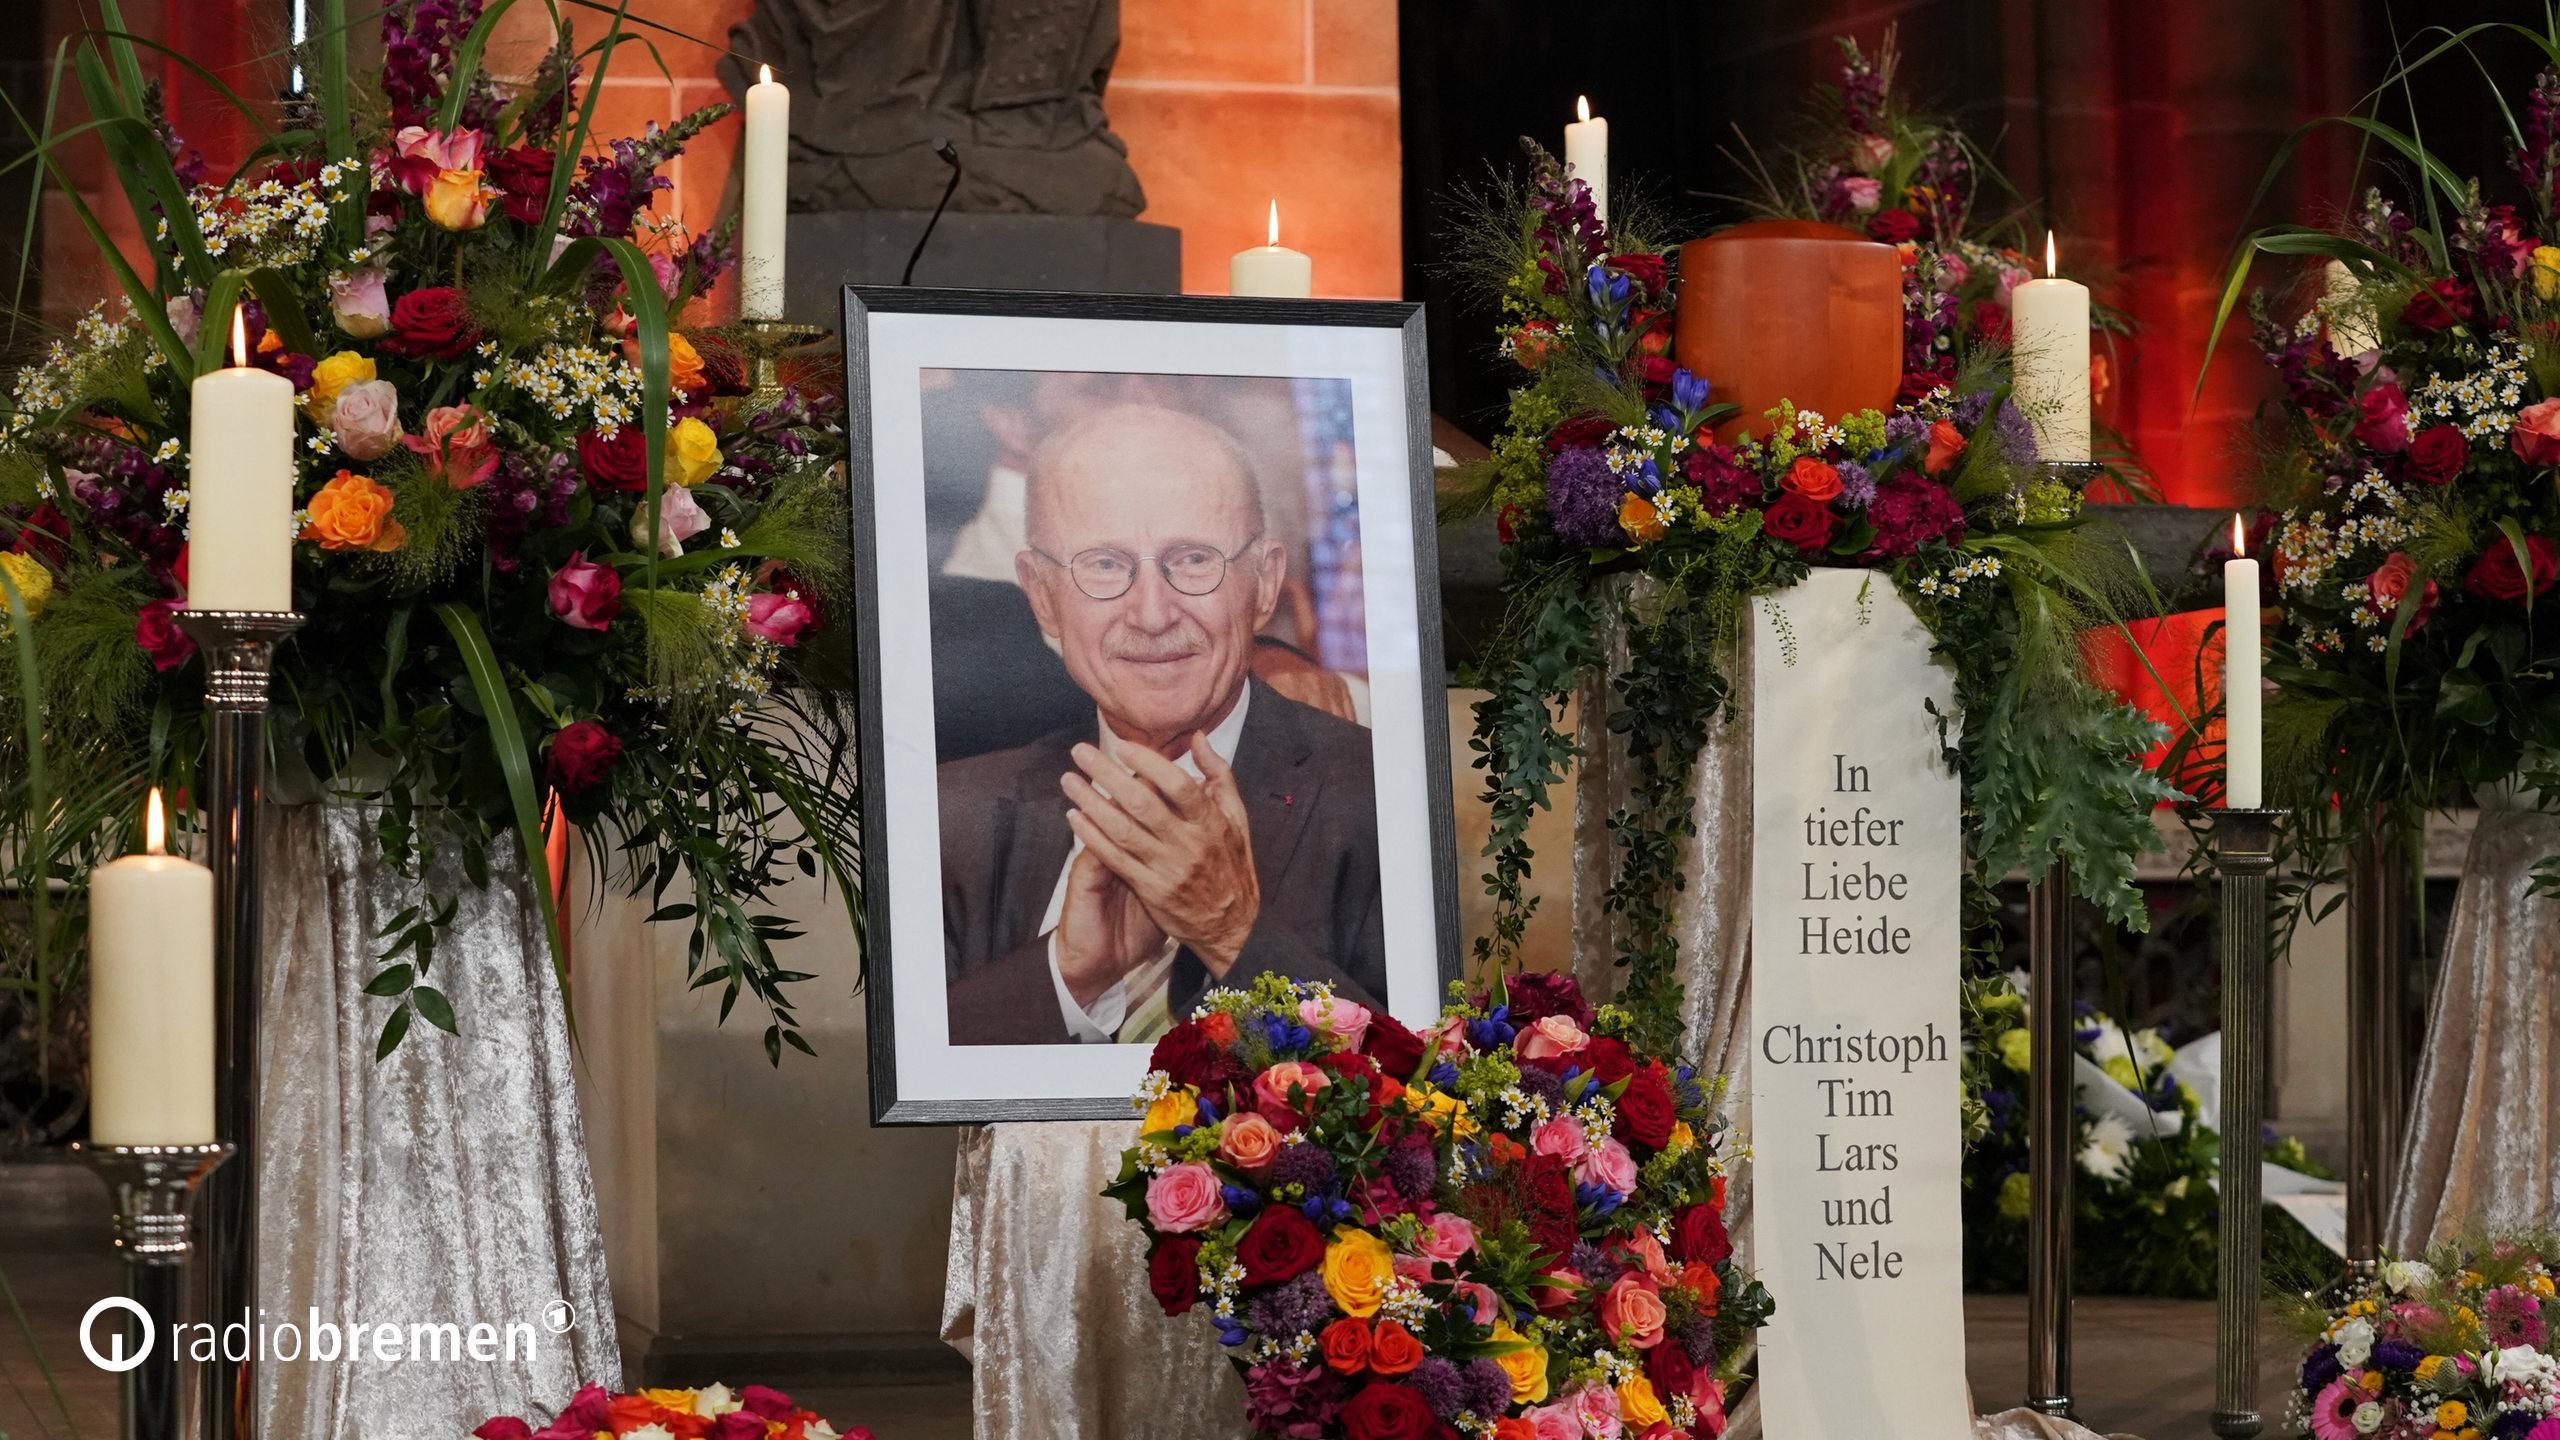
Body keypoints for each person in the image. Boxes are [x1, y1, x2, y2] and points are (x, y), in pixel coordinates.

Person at [939, 404, 1386, 1045]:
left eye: (1193, 559)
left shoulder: (1379, 796)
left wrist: (1231, 933)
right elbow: (915, 1073)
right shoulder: (951, 820)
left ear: (1264, 584)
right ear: (1041, 595)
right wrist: (1069, 976)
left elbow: (1427, 1086)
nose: (1152, 615)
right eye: (1103, 564)